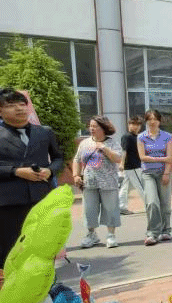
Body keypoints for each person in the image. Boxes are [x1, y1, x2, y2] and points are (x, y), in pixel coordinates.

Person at [0, 88, 63, 267]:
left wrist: (50, 171)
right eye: (11, 105)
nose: (19, 108)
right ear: (0, 111)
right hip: (9, 204)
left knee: (42, 249)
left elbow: (58, 158)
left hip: (42, 199)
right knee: (11, 252)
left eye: (22, 104)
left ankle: (46, 281)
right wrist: (15, 171)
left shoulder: (44, 132)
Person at [72, 116, 123, 249]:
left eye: (95, 126)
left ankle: (111, 235)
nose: (92, 129)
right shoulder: (85, 143)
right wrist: (76, 175)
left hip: (108, 182)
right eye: (90, 126)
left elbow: (118, 159)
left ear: (104, 128)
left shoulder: (112, 143)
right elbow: (77, 159)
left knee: (110, 209)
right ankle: (91, 234)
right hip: (89, 182)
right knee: (89, 209)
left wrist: (104, 148)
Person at [138, 109, 172, 246]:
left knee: (165, 203)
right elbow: (142, 157)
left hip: (163, 172)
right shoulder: (141, 137)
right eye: (149, 119)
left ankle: (166, 230)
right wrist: (162, 158)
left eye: (155, 119)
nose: (152, 122)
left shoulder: (167, 136)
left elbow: (170, 158)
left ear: (159, 121)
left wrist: (166, 173)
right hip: (148, 173)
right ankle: (152, 233)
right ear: (146, 121)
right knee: (152, 202)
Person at [117, 116, 144, 215]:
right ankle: (150, 205)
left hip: (134, 166)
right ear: (128, 125)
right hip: (132, 166)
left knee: (125, 187)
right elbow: (124, 150)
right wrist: (121, 163)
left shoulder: (137, 137)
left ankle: (121, 207)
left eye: (137, 124)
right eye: (132, 124)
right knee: (141, 186)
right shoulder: (127, 137)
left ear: (140, 126)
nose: (134, 126)